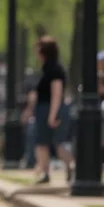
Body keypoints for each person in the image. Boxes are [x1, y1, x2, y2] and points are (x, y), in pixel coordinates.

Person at [23, 36, 72, 184]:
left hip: (50, 109)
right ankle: (45, 172)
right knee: (41, 143)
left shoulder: (55, 70)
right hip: (42, 109)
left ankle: (71, 166)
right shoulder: (45, 70)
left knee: (58, 143)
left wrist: (52, 115)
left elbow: (56, 94)